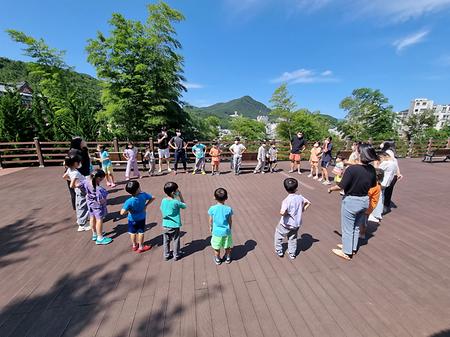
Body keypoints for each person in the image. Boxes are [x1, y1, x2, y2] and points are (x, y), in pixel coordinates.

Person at [328, 143, 378, 260]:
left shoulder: (352, 169)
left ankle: (346, 252)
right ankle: (351, 248)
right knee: (356, 226)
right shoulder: (371, 169)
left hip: (351, 200)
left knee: (348, 228)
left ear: (360, 154)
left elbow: (341, 186)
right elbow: (372, 184)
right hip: (364, 200)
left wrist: (330, 188)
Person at [274, 178, 311, 259]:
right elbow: (308, 202)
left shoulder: (286, 200)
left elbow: (282, 212)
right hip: (296, 224)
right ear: (296, 188)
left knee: (278, 236)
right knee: (293, 238)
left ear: (285, 188)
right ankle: (292, 253)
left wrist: (287, 213)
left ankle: (279, 251)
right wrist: (302, 209)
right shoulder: (300, 197)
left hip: (285, 224)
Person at [80, 169, 112, 245]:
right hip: (97, 205)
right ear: (98, 178)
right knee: (99, 220)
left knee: (92, 218)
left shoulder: (87, 181)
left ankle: (95, 234)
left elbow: (79, 185)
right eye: (101, 179)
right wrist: (103, 202)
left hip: (90, 203)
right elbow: (101, 199)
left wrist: (86, 192)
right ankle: (100, 238)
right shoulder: (98, 189)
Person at [120, 181, 154, 253]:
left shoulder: (129, 201)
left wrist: (129, 210)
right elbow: (153, 198)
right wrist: (146, 205)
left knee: (132, 232)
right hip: (141, 217)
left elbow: (122, 212)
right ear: (138, 188)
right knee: (141, 232)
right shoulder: (143, 195)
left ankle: (134, 245)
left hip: (131, 219)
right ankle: (141, 247)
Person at [160, 182, 187, 261]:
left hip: (165, 224)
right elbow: (184, 206)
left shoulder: (163, 200)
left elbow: (161, 208)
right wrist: (180, 196)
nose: (178, 191)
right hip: (174, 225)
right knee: (175, 240)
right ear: (173, 192)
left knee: (166, 241)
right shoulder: (176, 202)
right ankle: (176, 255)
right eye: (177, 190)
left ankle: (166, 255)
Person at [62, 156, 90, 232]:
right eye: (78, 162)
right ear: (75, 163)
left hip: (78, 190)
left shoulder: (69, 170)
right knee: (83, 206)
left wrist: (71, 180)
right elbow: (71, 185)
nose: (80, 163)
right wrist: (78, 185)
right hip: (81, 190)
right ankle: (82, 225)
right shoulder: (75, 173)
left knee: (79, 205)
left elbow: (64, 177)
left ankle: (80, 220)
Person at [369, 152, 398, 223]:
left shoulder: (386, 163)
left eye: (380, 159)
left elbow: (377, 171)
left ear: (383, 157)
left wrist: (375, 164)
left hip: (381, 182)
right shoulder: (394, 163)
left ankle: (376, 215)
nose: (380, 160)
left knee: (378, 198)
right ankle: (378, 213)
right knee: (381, 197)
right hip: (387, 183)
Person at [208, 188, 234, 265]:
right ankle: (228, 258)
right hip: (226, 231)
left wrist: (210, 227)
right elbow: (230, 220)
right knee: (227, 246)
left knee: (216, 247)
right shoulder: (228, 209)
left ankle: (218, 259)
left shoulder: (212, 209)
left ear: (214, 197)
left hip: (216, 232)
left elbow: (210, 220)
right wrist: (230, 228)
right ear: (226, 198)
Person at [66, 137, 91, 210]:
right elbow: (74, 164)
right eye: (83, 141)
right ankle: (78, 208)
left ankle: (80, 207)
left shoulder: (81, 150)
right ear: (79, 143)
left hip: (82, 173)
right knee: (76, 192)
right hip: (78, 175)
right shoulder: (75, 152)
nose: (85, 142)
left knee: (81, 192)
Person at [360, 168, 383, 240]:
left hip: (367, 206)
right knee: (364, 219)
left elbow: (367, 193)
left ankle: (362, 233)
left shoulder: (374, 185)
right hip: (370, 206)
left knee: (363, 221)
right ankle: (361, 231)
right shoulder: (377, 185)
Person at [381, 141, 403, 214]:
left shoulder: (388, 152)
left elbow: (392, 162)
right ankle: (385, 206)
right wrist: (398, 173)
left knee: (385, 191)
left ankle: (384, 207)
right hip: (394, 175)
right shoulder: (392, 152)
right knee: (388, 191)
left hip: (390, 175)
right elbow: (395, 163)